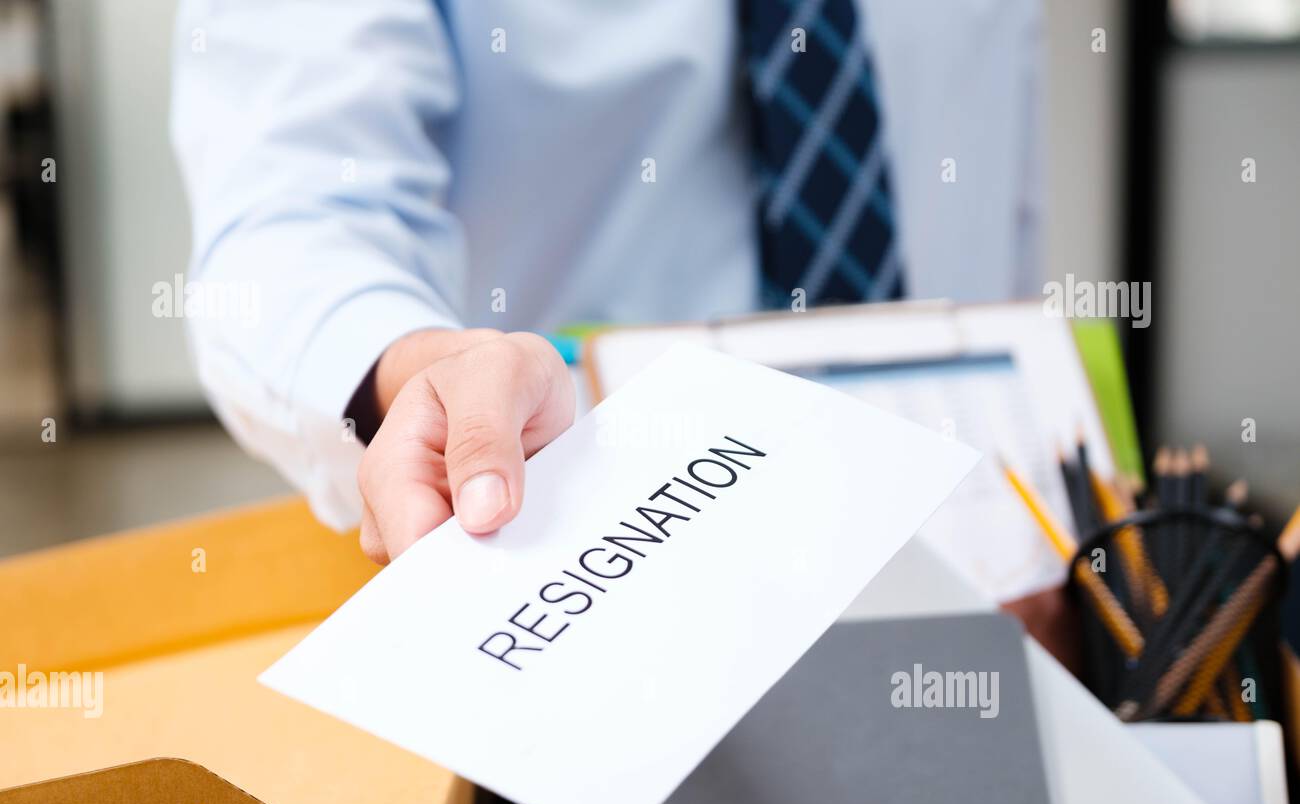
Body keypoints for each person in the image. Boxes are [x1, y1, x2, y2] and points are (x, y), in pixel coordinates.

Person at [171, 0, 1042, 564]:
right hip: (585, 564)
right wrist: (422, 375)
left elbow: (996, 182)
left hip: (968, 536)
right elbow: (294, 210)